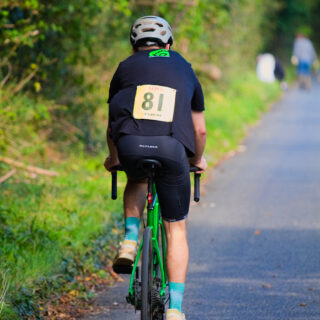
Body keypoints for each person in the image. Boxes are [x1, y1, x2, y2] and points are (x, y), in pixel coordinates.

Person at [104, 16, 207, 320]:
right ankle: (174, 307)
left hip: (130, 145)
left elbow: (113, 123)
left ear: (134, 45)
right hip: (172, 147)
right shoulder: (183, 66)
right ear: (168, 44)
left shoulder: (125, 67)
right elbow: (199, 131)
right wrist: (197, 160)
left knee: (135, 177)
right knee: (175, 229)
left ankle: (130, 239)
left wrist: (114, 157)